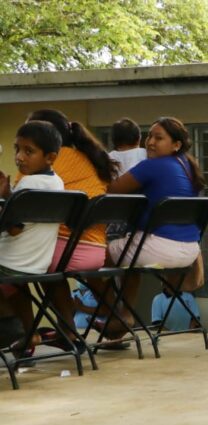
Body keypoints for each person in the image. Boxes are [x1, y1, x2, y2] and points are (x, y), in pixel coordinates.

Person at [20, 110, 117, 350]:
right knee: (45, 264)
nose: (22, 154)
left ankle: (30, 332)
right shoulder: (89, 158)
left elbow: (18, 209)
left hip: (65, 251)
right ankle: (95, 319)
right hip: (95, 252)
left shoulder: (48, 163)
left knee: (18, 265)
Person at [103, 117, 205, 338]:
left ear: (176, 144)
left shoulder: (152, 166)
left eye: (159, 138)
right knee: (131, 252)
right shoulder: (188, 166)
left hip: (159, 248)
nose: (150, 142)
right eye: (149, 136)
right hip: (189, 252)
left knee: (98, 256)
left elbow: (111, 188)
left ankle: (114, 313)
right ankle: (124, 313)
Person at [0, 121, 67, 354]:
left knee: (8, 285)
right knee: (13, 286)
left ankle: (16, 330)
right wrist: (9, 195)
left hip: (9, 263)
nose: (20, 157)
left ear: (50, 157)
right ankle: (27, 333)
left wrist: (5, 199)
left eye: (29, 151)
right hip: (36, 263)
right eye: (17, 149)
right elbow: (25, 218)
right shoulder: (57, 182)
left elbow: (14, 228)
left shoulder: (28, 183)